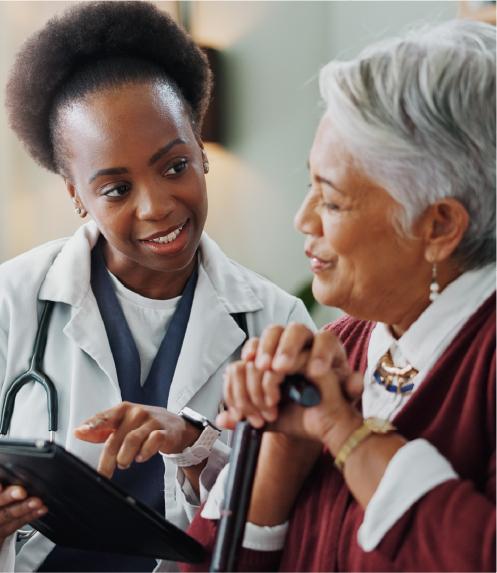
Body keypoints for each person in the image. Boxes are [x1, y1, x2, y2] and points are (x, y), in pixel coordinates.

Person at [0, 2, 314, 571]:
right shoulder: (11, 302)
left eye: (174, 167)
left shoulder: (278, 321)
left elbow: (298, 516)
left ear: (198, 145)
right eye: (116, 189)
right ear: (75, 193)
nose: (158, 207)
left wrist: (196, 444)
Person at [183, 19, 496, 572]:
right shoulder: (335, 348)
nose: (302, 219)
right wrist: (281, 446)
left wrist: (344, 433)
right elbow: (200, 564)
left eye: (331, 200)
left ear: (440, 225)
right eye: (311, 186)